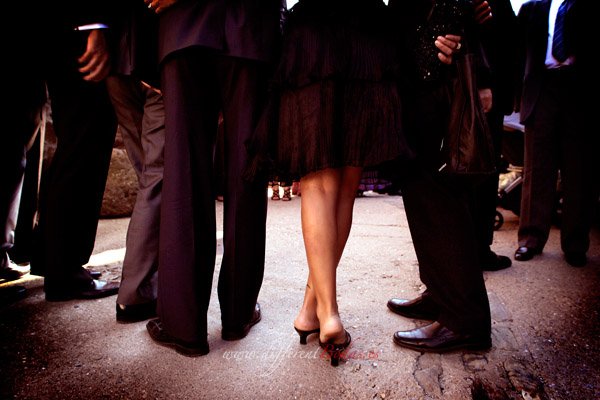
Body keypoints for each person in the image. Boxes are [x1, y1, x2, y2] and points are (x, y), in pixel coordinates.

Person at [255, 0, 420, 366]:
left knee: (319, 181)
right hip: (367, 37)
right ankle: (317, 312)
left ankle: (320, 311)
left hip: (316, 36)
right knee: (344, 187)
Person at [144, 0, 284, 357]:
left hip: (184, 28)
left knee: (184, 173)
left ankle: (184, 325)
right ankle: (237, 313)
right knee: (247, 171)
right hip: (248, 29)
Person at [387, 0, 494, 353]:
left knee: (438, 197)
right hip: (421, 67)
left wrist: (434, 46)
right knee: (422, 192)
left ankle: (465, 319)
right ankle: (441, 294)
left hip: (431, 72)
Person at [29, 7, 120, 301]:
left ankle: (54, 261)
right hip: (76, 31)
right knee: (84, 145)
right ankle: (65, 271)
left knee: (74, 144)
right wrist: (93, 23)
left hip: (63, 31)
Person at [513, 0, 597, 267]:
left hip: (580, 92)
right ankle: (530, 239)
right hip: (541, 91)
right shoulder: (532, 9)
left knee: (579, 172)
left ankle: (575, 244)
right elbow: (517, 54)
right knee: (536, 171)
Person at [106, 1, 163, 323]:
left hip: (117, 59)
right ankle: (136, 291)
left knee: (148, 175)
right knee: (157, 176)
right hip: (154, 66)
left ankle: (147, 280)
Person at [469, 0, 519, 272]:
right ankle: (472, 250)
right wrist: (481, 80)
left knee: (487, 173)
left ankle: (480, 247)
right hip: (476, 85)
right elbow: (476, 30)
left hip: (493, 88)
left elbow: (508, 33)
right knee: (474, 172)